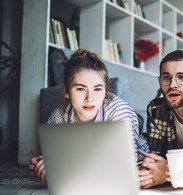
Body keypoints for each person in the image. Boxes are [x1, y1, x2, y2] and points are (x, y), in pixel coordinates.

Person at [29, 49, 148, 181]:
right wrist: (44, 165)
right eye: (80, 89)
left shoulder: (118, 111)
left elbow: (122, 163)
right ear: (66, 91)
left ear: (105, 91)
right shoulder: (60, 114)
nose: (89, 98)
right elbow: (52, 154)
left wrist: (60, 166)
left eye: (97, 89)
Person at [138, 50, 183, 189]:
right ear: (159, 81)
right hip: (176, 186)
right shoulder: (156, 110)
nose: (172, 85)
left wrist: (167, 171)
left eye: (182, 77)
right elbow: (155, 158)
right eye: (166, 77)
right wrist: (146, 173)